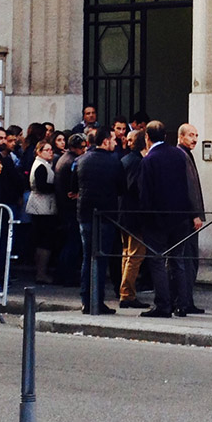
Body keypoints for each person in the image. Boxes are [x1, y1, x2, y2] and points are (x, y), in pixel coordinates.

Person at [137, 121, 194, 318]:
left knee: (157, 261)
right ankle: (182, 304)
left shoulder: (149, 160)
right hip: (180, 217)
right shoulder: (179, 155)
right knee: (178, 260)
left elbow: (145, 193)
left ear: (147, 137)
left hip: (157, 218)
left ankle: (163, 304)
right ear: (165, 136)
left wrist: (144, 218)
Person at [74, 127, 124, 313]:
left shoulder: (81, 160)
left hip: (85, 214)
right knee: (101, 260)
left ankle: (86, 300)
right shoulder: (114, 162)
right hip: (106, 216)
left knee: (88, 258)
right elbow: (122, 188)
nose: (115, 143)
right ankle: (97, 300)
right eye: (113, 139)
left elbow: (73, 187)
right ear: (105, 141)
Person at [176, 123, 206, 315]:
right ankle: (184, 300)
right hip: (187, 218)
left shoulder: (186, 155)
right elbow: (188, 188)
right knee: (187, 259)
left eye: (196, 135)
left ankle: (186, 300)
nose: (194, 139)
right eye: (191, 135)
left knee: (189, 259)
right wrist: (195, 214)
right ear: (181, 137)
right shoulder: (182, 155)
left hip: (187, 216)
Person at [118, 130, 149, 307]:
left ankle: (126, 291)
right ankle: (127, 294)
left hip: (123, 214)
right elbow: (136, 188)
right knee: (135, 256)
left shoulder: (125, 160)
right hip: (134, 215)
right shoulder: (138, 162)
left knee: (127, 254)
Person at [53, 133, 87, 285]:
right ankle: (67, 275)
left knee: (69, 242)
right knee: (72, 243)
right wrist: (76, 192)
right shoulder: (73, 161)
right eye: (82, 147)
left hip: (64, 205)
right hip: (70, 207)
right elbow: (74, 184)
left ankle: (63, 274)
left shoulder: (64, 159)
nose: (84, 150)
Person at [26, 139, 58, 283]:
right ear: (39, 152)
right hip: (42, 206)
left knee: (43, 240)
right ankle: (41, 273)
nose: (50, 152)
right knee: (44, 241)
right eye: (47, 150)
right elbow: (42, 186)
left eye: (51, 150)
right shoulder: (40, 166)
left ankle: (41, 272)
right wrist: (56, 187)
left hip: (43, 205)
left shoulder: (44, 164)